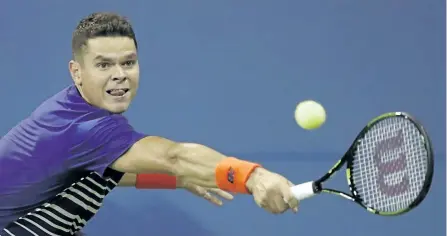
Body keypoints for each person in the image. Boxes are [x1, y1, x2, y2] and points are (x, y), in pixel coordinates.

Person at [0, 12, 299, 235]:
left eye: (128, 62)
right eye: (103, 65)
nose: (120, 74)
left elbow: (104, 171)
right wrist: (254, 177)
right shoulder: (85, 130)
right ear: (76, 72)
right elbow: (173, 156)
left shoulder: (70, 114)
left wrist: (178, 179)